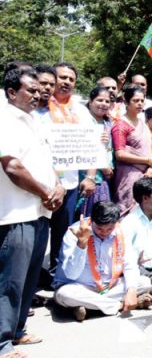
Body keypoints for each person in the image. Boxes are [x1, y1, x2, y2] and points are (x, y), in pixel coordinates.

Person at [1, 66, 64, 356]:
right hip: (17, 214)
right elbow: (12, 167)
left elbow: (47, 161)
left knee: (27, 278)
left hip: (41, 212)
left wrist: (58, 187)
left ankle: (18, 330)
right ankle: (2, 342)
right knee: (10, 280)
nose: (38, 94)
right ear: (12, 92)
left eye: (39, 91)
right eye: (31, 90)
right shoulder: (5, 120)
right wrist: (45, 191)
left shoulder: (34, 121)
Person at [53, 201, 152, 321]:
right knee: (64, 294)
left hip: (110, 286)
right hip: (81, 286)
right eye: (100, 229)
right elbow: (71, 274)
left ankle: (91, 306)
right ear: (92, 221)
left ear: (116, 223)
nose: (105, 233)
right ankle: (120, 305)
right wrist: (81, 244)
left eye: (109, 229)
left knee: (144, 282)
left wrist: (131, 291)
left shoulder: (121, 231)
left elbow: (129, 263)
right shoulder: (75, 231)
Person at [37, 63, 92, 275]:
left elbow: (91, 145)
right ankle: (34, 278)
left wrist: (89, 177)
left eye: (71, 79)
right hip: (40, 185)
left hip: (69, 183)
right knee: (39, 233)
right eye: (62, 77)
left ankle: (57, 274)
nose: (66, 82)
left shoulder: (80, 111)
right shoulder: (38, 109)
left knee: (63, 232)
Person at [112, 84, 152, 211]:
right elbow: (120, 154)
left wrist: (150, 168)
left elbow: (149, 149)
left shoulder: (143, 123)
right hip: (128, 174)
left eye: (142, 100)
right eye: (135, 100)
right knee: (127, 207)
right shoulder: (121, 125)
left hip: (145, 174)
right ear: (126, 102)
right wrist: (147, 161)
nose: (140, 103)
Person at [80, 87, 114, 217]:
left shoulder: (108, 123)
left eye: (107, 101)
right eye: (100, 100)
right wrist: (103, 166)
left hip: (105, 176)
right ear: (90, 101)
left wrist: (108, 166)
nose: (104, 104)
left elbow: (110, 148)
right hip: (87, 176)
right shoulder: (83, 120)